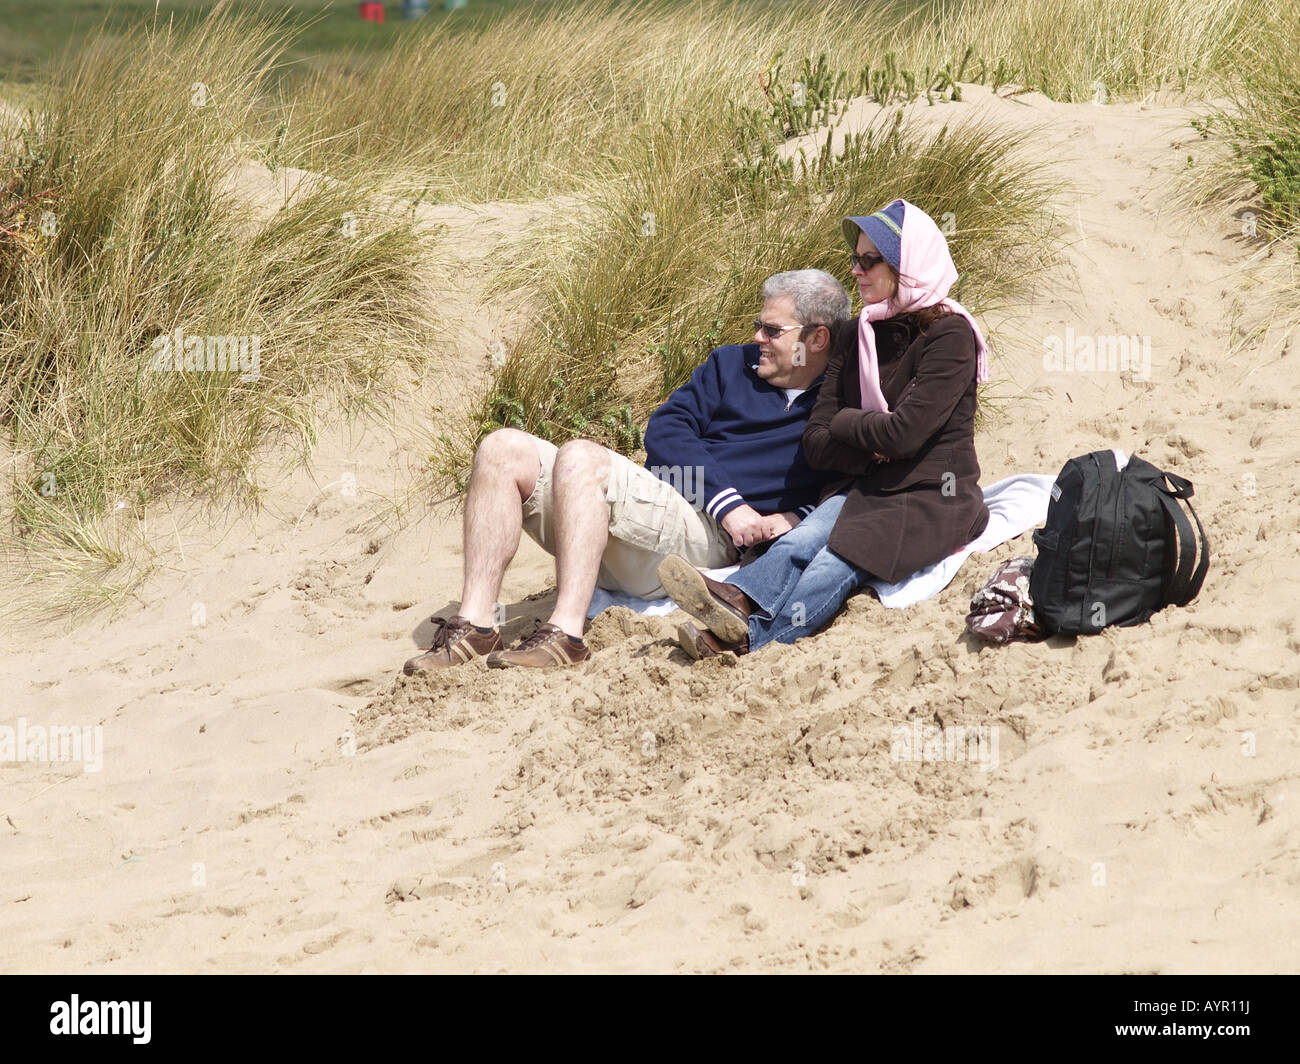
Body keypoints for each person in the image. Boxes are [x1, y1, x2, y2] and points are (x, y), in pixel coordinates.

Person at [403, 269, 851, 673]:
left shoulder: (841, 399)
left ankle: (566, 635)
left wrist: (795, 516)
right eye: (758, 324)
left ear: (817, 340)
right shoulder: (731, 365)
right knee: (501, 448)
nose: (757, 337)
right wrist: (728, 503)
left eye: (772, 330)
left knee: (581, 457)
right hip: (669, 509)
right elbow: (666, 430)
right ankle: (475, 626)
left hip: (709, 540)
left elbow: (851, 481)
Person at [658, 199, 991, 657]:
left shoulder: (948, 336)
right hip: (871, 485)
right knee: (806, 537)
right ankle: (738, 597)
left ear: (906, 264)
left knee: (836, 559)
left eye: (869, 260)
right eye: (855, 258)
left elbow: (907, 435)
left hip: (936, 495)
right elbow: (817, 443)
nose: (856, 269)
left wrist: (850, 423)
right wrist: (876, 447)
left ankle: (750, 640)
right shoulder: (859, 334)